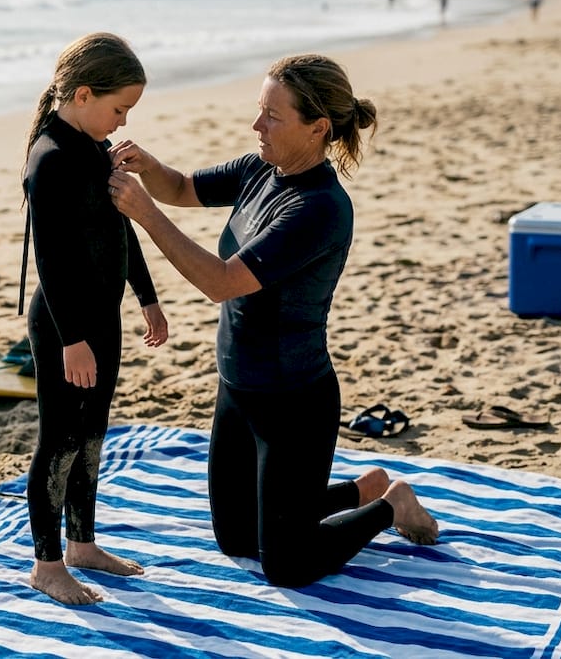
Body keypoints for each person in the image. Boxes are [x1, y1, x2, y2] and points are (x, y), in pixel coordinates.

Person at [107, 53, 439, 588]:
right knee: (237, 539)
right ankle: (361, 488)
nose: (256, 126)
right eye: (259, 110)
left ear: (318, 128)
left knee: (288, 565)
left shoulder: (320, 208)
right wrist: (148, 165)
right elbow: (183, 187)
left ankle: (391, 504)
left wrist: (145, 214)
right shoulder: (260, 168)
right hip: (237, 391)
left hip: (293, 402)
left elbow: (220, 281)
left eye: (272, 116)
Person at [21, 32, 169, 604]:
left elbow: (119, 226)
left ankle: (82, 545)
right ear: (83, 94)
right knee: (58, 439)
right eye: (119, 108)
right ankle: (48, 563)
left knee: (93, 436)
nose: (122, 120)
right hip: (65, 325)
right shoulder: (52, 158)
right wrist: (72, 340)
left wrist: (147, 297)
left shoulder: (89, 146)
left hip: (101, 318)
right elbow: (51, 258)